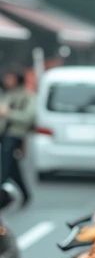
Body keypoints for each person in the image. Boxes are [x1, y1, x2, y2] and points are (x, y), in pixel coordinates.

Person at [0, 71, 36, 205]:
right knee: (12, 166)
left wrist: (8, 113)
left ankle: (2, 190)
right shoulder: (7, 95)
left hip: (16, 134)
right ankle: (25, 193)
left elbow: (29, 117)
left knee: (5, 164)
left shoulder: (27, 96)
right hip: (3, 133)